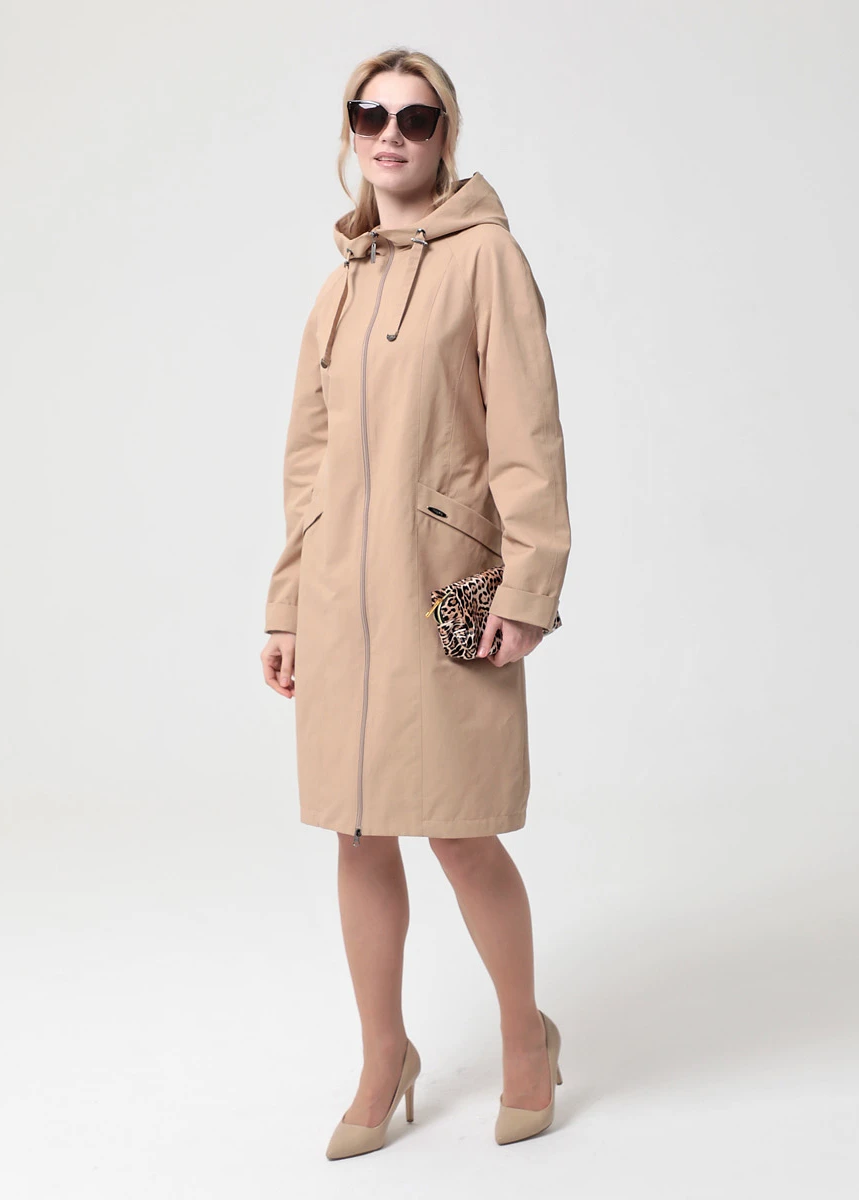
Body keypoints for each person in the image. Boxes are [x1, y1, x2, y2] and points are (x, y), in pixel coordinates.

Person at [259, 46, 572, 1157]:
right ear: (350, 133)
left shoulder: (487, 259)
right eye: (370, 114)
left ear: (446, 136)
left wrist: (528, 583)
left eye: (416, 117)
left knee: (461, 831)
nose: (390, 133)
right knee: (358, 830)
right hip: (340, 602)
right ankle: (383, 1055)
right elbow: (308, 463)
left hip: (444, 591)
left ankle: (526, 1038)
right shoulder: (338, 285)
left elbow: (527, 435)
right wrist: (287, 606)